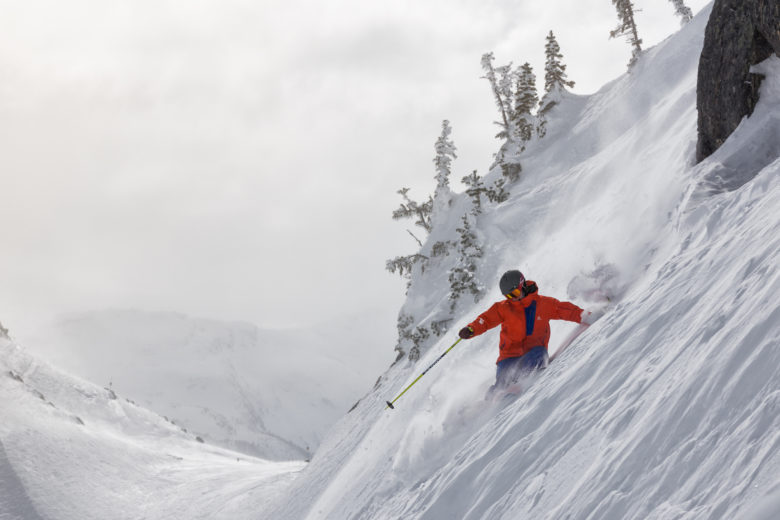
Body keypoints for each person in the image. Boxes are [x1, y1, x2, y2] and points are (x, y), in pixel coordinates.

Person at [458, 269, 601, 395]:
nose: (513, 298)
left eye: (515, 293)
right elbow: (486, 320)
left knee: (537, 356)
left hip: (534, 352)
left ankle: (521, 382)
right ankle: (495, 395)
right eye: (509, 296)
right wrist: (471, 329)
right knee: (503, 380)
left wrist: (586, 316)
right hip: (508, 357)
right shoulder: (502, 308)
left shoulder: (544, 304)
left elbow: (565, 310)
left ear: (523, 286)